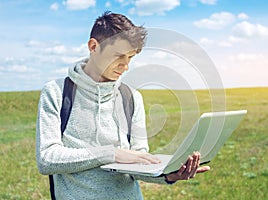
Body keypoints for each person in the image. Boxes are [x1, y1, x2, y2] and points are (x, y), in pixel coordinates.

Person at [36, 11, 210, 199]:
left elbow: (137, 161)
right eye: (118, 56)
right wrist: (111, 154)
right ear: (93, 46)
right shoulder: (56, 92)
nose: (125, 66)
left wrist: (167, 175)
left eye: (130, 58)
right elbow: (47, 158)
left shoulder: (131, 97)